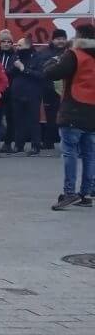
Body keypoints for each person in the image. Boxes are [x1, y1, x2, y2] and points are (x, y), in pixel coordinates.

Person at [44, 22, 95, 210]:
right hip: (93, 111)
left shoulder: (74, 54)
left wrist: (52, 61)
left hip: (73, 109)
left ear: (79, 36)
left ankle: (69, 192)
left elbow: (52, 73)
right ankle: (86, 194)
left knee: (70, 153)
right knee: (90, 155)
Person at [7, 38, 47, 156]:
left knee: (33, 121)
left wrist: (24, 69)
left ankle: (35, 146)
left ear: (28, 46)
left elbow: (41, 75)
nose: (17, 48)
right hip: (17, 93)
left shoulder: (37, 57)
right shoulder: (15, 57)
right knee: (18, 121)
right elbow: (8, 72)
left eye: (20, 45)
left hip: (32, 94)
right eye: (17, 45)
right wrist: (15, 67)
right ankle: (19, 145)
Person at [35, 29, 68, 150]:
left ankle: (67, 143)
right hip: (50, 90)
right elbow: (42, 70)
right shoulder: (45, 53)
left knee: (67, 117)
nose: (61, 41)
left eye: (63, 39)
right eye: (58, 39)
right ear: (53, 40)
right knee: (50, 117)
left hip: (67, 90)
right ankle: (48, 142)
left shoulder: (70, 52)